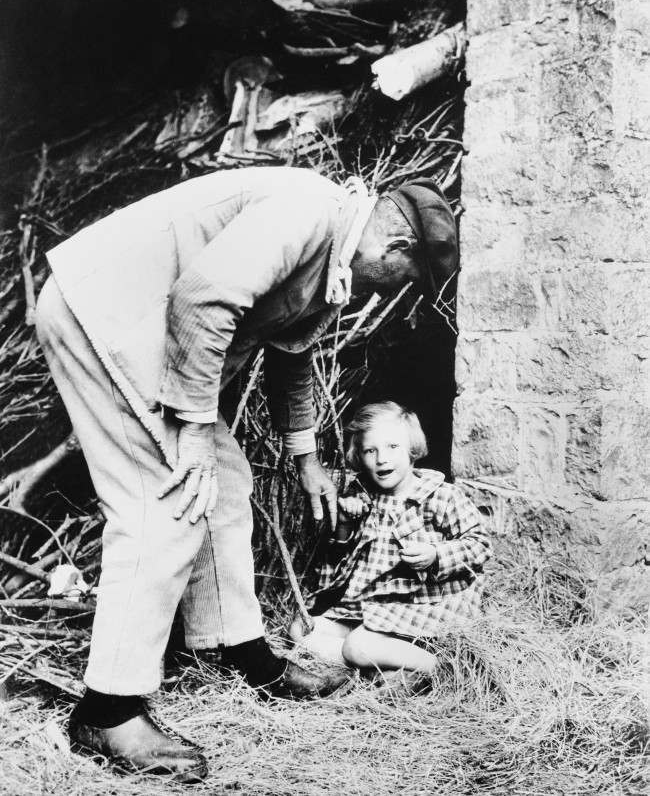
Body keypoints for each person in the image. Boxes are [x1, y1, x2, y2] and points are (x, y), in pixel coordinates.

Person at [34, 166, 458, 781]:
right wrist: (197, 433)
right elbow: (202, 299)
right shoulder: (308, 212)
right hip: (106, 317)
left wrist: (306, 455)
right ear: (395, 249)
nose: (387, 292)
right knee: (168, 499)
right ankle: (107, 710)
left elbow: (292, 350)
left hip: (143, 329)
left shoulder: (332, 253)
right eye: (405, 280)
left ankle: (240, 649)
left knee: (227, 485)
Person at [290, 401, 491, 681]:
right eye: (371, 450)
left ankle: (441, 669)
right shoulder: (362, 496)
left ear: (412, 449)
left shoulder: (440, 495)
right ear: (359, 455)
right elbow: (337, 563)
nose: (382, 459)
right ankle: (388, 669)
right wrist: (345, 526)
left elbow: (480, 545)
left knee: (357, 646)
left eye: (393, 447)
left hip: (418, 605)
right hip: (368, 606)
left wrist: (436, 554)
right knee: (301, 632)